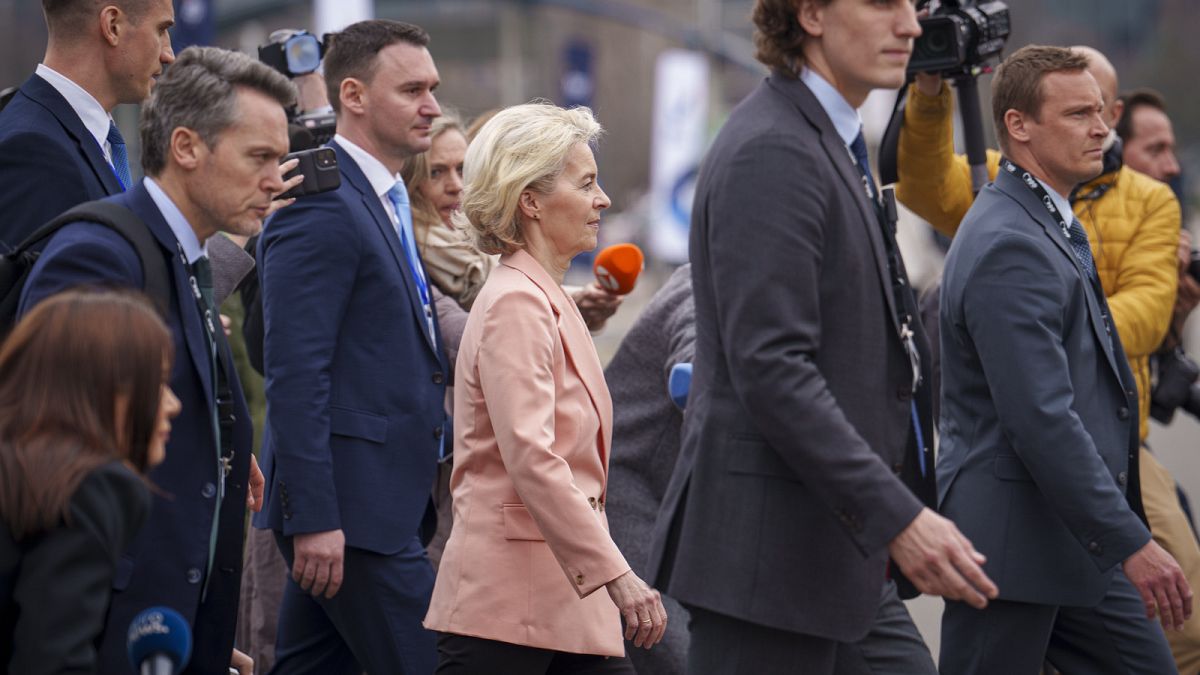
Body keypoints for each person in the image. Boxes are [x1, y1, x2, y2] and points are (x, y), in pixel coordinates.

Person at [645, 0, 999, 672]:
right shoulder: (775, 147)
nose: (912, 25)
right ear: (809, 14)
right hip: (769, 566)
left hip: (834, 552)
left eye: (912, 5)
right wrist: (897, 516)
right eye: (882, 3)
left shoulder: (825, 136)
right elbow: (772, 367)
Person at [896, 47, 1200, 673]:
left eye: (1100, 112)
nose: (1101, 129)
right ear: (1018, 126)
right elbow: (1040, 418)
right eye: (1079, 113)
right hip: (1014, 542)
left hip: (1069, 534)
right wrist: (1130, 540)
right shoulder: (1012, 239)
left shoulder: (1046, 216)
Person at [18, 46, 293, 674]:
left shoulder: (185, 254)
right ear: (188, 147)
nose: (277, 181)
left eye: (280, 159)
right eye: (260, 158)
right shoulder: (101, 253)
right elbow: (55, 469)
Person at [423, 102, 667, 673]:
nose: (603, 199)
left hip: (554, 602)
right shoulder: (516, 303)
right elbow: (533, 457)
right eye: (586, 184)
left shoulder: (540, 297)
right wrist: (618, 574)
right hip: (511, 609)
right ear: (529, 201)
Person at [255, 19, 449, 674]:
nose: (433, 106)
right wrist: (313, 515)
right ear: (354, 96)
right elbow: (293, 368)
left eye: (434, 89)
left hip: (377, 507)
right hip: (350, 516)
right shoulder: (323, 202)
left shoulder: (380, 195)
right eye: (413, 89)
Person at [0, 289, 179, 673]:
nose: (173, 403)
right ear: (107, 387)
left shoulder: (23, 471)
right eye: (159, 382)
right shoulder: (94, 488)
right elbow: (52, 661)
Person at [0, 0, 175, 249]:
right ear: (112, 26)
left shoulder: (65, 136)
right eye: (160, 29)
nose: (169, 54)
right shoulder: (33, 151)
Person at [604, 263, 695, 675]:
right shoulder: (705, 281)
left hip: (682, 508)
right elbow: (693, 379)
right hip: (630, 493)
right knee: (681, 655)